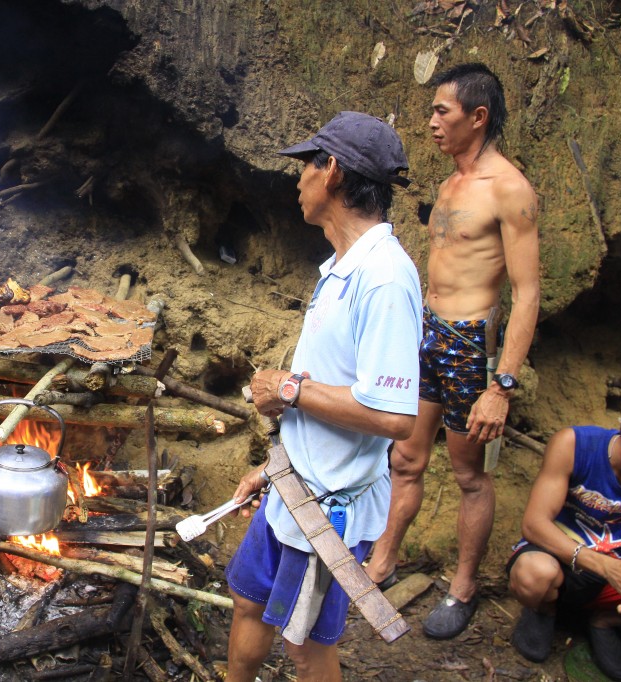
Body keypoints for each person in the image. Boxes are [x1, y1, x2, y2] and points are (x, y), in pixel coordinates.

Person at [226, 112, 422, 682]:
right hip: (293, 488)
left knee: (307, 649)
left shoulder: (384, 277)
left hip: (328, 512)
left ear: (331, 171)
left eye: (305, 166)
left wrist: (287, 388)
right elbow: (336, 385)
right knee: (248, 602)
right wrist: (273, 467)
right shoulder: (342, 265)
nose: (297, 181)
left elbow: (392, 415)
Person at [364, 63, 541, 639]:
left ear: (478, 117)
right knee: (405, 458)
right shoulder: (449, 182)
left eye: (443, 111)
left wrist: (502, 386)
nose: (432, 122)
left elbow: (527, 293)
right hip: (425, 332)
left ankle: (462, 588)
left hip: (468, 346)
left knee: (469, 476)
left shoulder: (510, 189)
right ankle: (384, 558)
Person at [507, 422, 621, 680]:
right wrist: (605, 566)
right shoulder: (576, 445)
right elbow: (534, 524)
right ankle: (546, 608)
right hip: (560, 556)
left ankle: (605, 620)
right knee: (534, 573)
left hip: (614, 579)